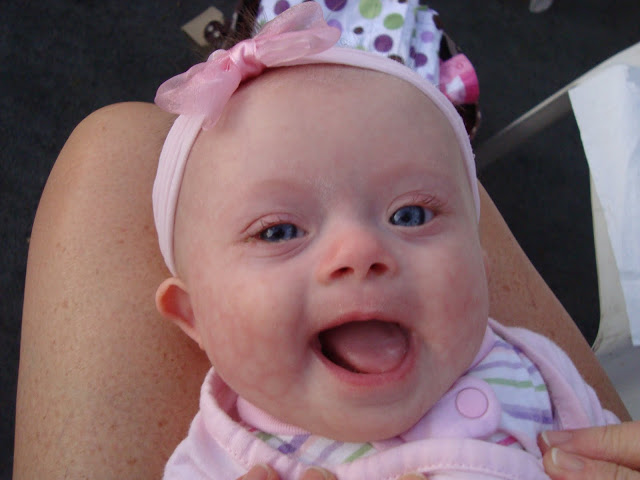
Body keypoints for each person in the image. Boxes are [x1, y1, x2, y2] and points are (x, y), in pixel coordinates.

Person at [13, 3, 639, 480]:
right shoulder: (222, 458)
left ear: (482, 262)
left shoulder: (536, 370)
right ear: (194, 316)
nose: (360, 251)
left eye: (411, 215)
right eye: (279, 231)